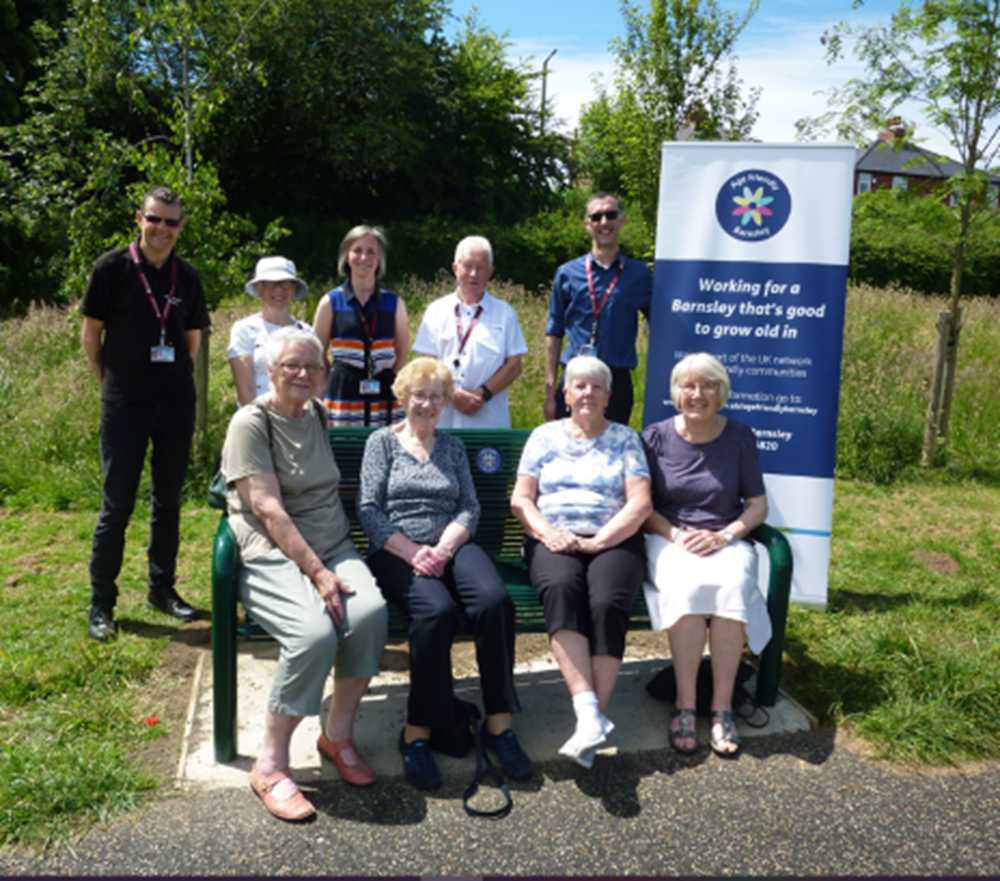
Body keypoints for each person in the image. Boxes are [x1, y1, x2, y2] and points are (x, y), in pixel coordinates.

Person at [220, 327, 388, 821]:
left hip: (331, 541)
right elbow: (268, 509)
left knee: (371, 613)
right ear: (270, 371)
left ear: (322, 375)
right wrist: (318, 573)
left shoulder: (316, 412)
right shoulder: (250, 423)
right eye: (290, 365)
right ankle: (270, 764)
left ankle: (337, 736)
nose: (301, 373)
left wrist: (330, 562)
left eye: (311, 367)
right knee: (313, 633)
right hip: (273, 550)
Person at [358, 357, 530, 790]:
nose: (428, 404)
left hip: (451, 544)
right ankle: (417, 734)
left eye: (437, 397)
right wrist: (414, 552)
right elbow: (369, 510)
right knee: (435, 612)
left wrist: (445, 546)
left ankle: (499, 724)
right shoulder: (381, 443)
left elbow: (469, 506)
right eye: (420, 395)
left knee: (494, 602)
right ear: (403, 397)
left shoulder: (451, 446)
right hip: (397, 551)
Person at [80, 185, 211, 642]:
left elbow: (192, 340)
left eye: (171, 222)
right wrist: (112, 384)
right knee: (117, 504)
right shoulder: (111, 268)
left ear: (181, 227)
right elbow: (91, 336)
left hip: (174, 404)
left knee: (168, 500)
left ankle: (162, 589)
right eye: (154, 219)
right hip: (125, 405)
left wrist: (171, 381)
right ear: (139, 218)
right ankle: (102, 604)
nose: (162, 230)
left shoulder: (187, 277)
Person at [510, 355, 651, 769]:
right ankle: (590, 715)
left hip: (614, 539)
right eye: (579, 386)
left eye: (596, 386)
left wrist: (601, 541)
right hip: (552, 537)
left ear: (609, 396)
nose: (587, 392)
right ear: (566, 394)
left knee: (607, 600)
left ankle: (589, 719)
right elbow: (521, 499)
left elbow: (640, 503)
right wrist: (547, 533)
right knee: (561, 588)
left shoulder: (626, 439)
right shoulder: (543, 436)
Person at [641, 352, 770, 759]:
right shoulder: (655, 437)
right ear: (676, 393)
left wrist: (725, 535)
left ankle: (722, 708)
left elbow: (757, 504)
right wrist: (677, 534)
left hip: (725, 538)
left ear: (722, 393)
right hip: (669, 537)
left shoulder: (740, 437)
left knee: (733, 585)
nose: (698, 394)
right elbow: (641, 506)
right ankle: (684, 705)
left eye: (708, 385)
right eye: (689, 385)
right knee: (688, 585)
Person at [544, 193, 652, 425]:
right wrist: (550, 391)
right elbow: (554, 332)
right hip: (575, 378)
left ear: (622, 220)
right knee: (570, 449)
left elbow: (660, 325)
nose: (604, 222)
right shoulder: (566, 273)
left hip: (617, 380)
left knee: (612, 452)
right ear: (587, 224)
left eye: (611, 215)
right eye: (596, 217)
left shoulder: (640, 274)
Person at [412, 236, 526, 428]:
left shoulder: (505, 313)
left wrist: (484, 394)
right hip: (441, 420)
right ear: (455, 268)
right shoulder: (436, 310)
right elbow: (426, 363)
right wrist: (452, 394)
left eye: (481, 267)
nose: (474, 274)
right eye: (467, 266)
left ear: (491, 271)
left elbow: (514, 365)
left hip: (488, 420)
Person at [312, 225, 409, 426]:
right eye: (357, 250)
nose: (364, 258)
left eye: (371, 252)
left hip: (384, 394)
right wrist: (332, 380)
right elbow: (316, 352)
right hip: (342, 394)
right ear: (346, 256)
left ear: (379, 259)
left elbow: (401, 352)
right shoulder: (331, 302)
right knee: (345, 452)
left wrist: (387, 377)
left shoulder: (394, 302)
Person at [227, 256, 313, 407]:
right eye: (271, 284)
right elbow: (245, 389)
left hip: (298, 420)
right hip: (256, 419)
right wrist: (259, 423)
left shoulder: (307, 333)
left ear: (293, 289)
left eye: (285, 284)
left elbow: (314, 384)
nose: (279, 290)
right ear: (259, 289)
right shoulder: (244, 330)